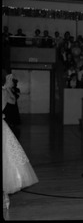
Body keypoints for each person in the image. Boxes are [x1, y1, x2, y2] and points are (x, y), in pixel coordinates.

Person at [3, 71, 39, 209]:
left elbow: (12, 101)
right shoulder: (4, 92)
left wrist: (7, 88)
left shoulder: (6, 92)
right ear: (6, 80)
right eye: (10, 79)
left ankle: (4, 196)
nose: (13, 81)